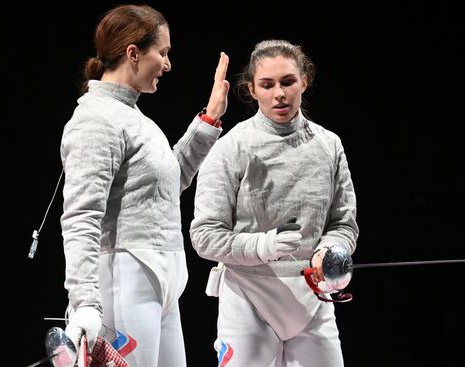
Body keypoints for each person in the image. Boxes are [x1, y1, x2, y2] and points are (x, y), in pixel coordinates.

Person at [59, 4, 229, 367]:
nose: (168, 64)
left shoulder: (136, 119)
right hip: (125, 280)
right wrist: (85, 301)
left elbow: (169, 183)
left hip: (160, 283)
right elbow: (81, 217)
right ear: (133, 53)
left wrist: (210, 118)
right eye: (163, 53)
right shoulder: (95, 119)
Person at [189, 39, 358, 367]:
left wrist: (329, 250)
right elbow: (205, 236)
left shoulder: (329, 145)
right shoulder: (231, 148)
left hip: (312, 296)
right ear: (251, 89)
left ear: (303, 82)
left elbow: (343, 223)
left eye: (288, 82)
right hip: (248, 297)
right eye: (267, 85)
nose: (279, 93)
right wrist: (263, 245)